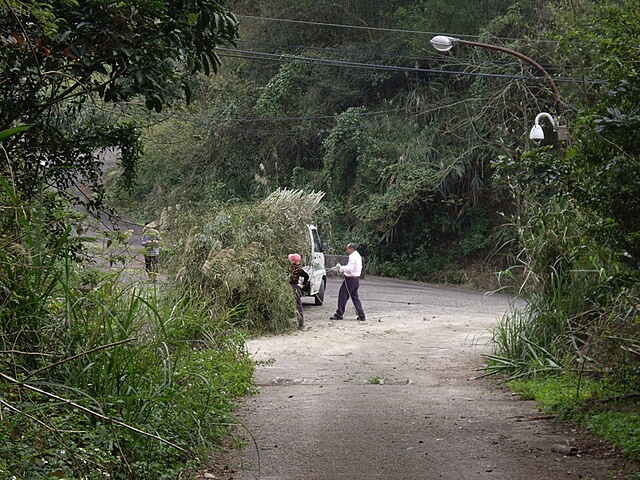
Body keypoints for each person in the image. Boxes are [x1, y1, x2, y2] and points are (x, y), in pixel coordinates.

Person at [330, 243, 366, 321]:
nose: (347, 250)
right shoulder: (358, 256)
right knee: (355, 297)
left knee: (343, 295)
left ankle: (339, 313)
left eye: (348, 249)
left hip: (350, 279)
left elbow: (350, 268)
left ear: (351, 249)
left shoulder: (352, 257)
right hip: (356, 279)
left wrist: (340, 268)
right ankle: (361, 315)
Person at [288, 253, 310, 328]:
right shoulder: (299, 269)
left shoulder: (288, 269)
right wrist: (303, 284)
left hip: (287, 287)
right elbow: (306, 276)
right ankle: (301, 323)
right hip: (295, 287)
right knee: (299, 305)